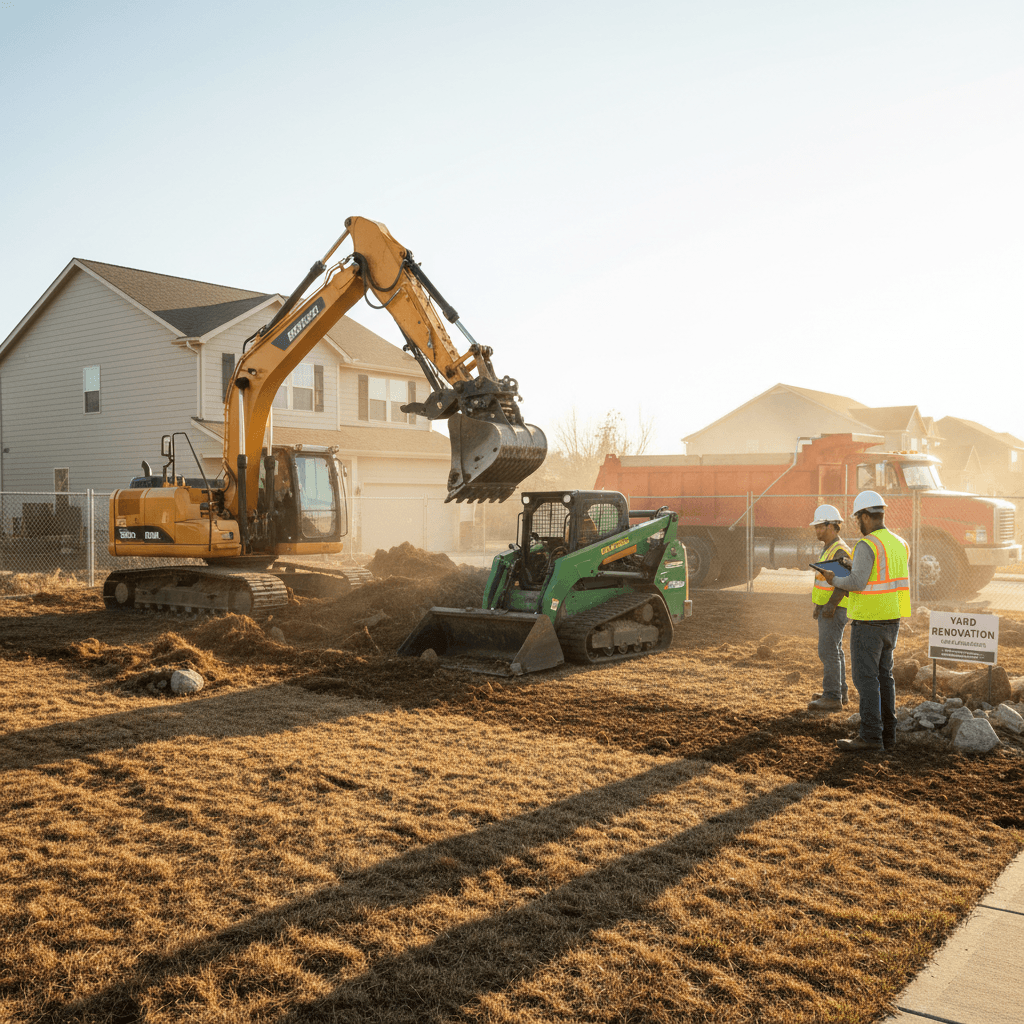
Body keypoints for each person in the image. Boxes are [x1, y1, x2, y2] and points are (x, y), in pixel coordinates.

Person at [820, 489, 911, 753]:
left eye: (857, 519)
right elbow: (883, 576)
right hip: (891, 620)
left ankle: (870, 736)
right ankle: (887, 734)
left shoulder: (867, 544)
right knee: (885, 678)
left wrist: (834, 578)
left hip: (868, 622)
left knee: (866, 680)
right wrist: (854, 567)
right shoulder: (900, 543)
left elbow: (858, 583)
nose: (857, 524)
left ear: (865, 516)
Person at [806, 504, 852, 712]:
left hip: (835, 608)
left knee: (828, 651)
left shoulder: (839, 549)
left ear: (831, 525)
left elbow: (845, 580)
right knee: (835, 650)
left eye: (820, 526)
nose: (816, 531)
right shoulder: (830, 548)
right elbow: (825, 581)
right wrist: (819, 605)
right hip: (830, 607)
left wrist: (831, 605)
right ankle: (839, 693)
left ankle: (832, 696)